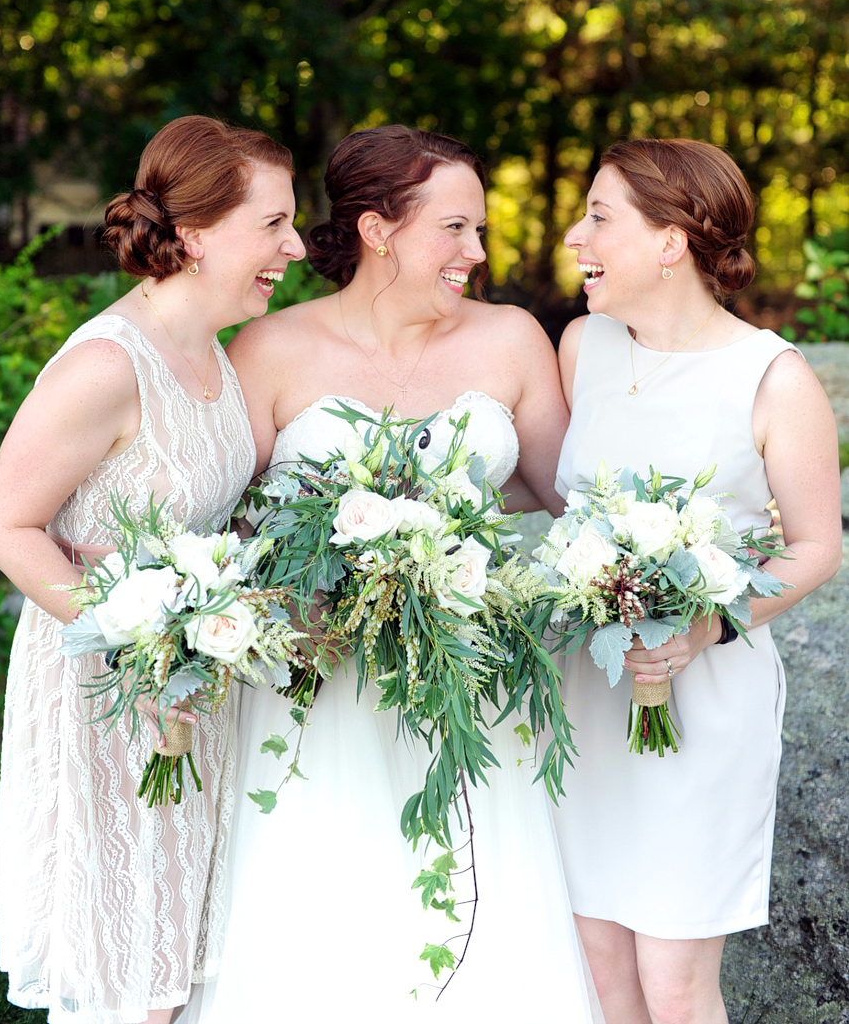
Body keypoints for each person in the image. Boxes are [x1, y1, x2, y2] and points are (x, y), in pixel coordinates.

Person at [183, 124, 602, 1020]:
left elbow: (573, 513)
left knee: (471, 922)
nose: (477, 253)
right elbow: (223, 531)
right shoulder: (269, 350)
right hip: (314, 696)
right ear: (379, 230)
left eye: (478, 230)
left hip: (468, 699)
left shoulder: (513, 340)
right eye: (455, 229)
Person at [0, 115, 305, 1024]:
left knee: (186, 967)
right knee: (131, 978)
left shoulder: (221, 357)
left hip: (194, 691)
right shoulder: (107, 365)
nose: (297, 245)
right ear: (195, 235)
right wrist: (142, 643)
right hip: (108, 693)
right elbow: (2, 523)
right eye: (274, 224)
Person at [553, 138, 842, 1024]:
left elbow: (816, 546)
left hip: (703, 700)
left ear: (672, 241)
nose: (574, 237)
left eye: (601, 218)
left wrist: (702, 629)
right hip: (588, 692)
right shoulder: (583, 346)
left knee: (675, 985)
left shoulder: (773, 377)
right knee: (601, 973)